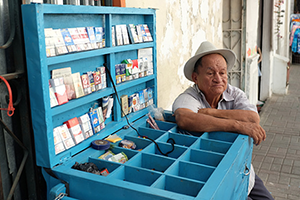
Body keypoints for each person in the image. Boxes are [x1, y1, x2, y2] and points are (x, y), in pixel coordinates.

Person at [172, 41, 274, 200]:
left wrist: (211, 113)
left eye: (223, 72)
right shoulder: (189, 97)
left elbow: (253, 117)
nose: (218, 79)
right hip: (210, 175)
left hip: (242, 169)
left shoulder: (235, 94)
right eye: (210, 73)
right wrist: (237, 125)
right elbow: (184, 118)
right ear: (195, 77)